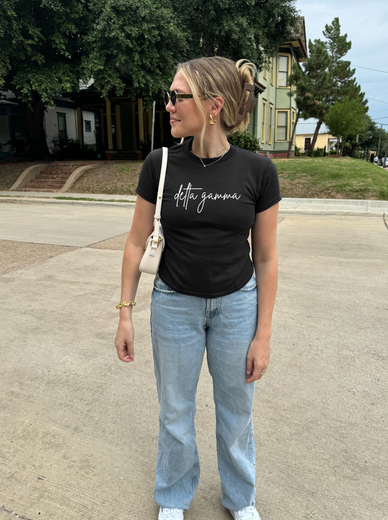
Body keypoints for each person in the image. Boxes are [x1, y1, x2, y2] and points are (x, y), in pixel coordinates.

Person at [115, 56, 281, 520]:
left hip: (237, 305)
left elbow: (266, 259)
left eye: (177, 96)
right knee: (174, 411)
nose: (168, 105)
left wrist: (262, 335)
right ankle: (172, 496)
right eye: (169, 96)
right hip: (173, 306)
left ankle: (240, 498)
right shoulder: (160, 163)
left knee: (236, 413)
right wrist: (125, 311)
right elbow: (134, 242)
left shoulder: (258, 170)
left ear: (213, 105)